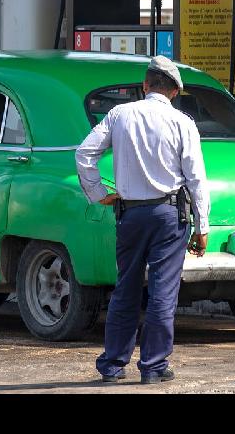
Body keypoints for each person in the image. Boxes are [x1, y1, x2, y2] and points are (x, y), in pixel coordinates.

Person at [75, 55, 210, 385]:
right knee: (163, 291)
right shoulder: (182, 123)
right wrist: (202, 225)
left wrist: (98, 193)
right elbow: (196, 178)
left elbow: (84, 154)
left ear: (145, 85)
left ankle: (112, 365)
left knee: (126, 288)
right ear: (174, 92)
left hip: (131, 214)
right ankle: (153, 365)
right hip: (169, 216)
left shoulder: (119, 114)